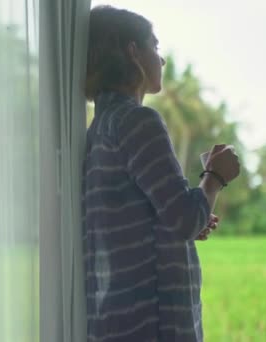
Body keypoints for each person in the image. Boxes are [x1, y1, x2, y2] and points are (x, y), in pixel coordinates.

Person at [82, 5, 240, 341]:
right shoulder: (139, 122)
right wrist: (215, 175)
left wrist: (186, 217)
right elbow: (185, 220)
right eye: (155, 47)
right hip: (156, 322)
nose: (162, 59)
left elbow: (133, 219)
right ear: (133, 52)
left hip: (116, 318)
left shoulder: (99, 130)